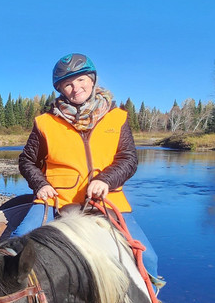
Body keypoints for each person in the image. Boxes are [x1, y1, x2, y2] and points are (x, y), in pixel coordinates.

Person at [14, 53, 163, 289]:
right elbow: (27, 161)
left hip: (106, 199)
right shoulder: (45, 122)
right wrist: (41, 185)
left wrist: (106, 180)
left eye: (81, 80)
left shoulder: (117, 117)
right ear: (61, 89)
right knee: (16, 248)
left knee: (148, 258)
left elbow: (128, 159)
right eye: (68, 84)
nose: (76, 88)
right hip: (55, 201)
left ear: (92, 80)